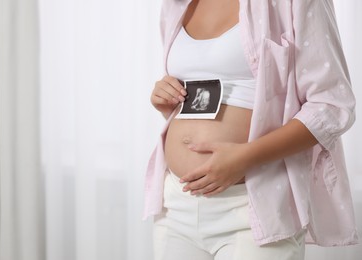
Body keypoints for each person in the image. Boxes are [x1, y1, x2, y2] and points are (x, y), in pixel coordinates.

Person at [145, 0, 359, 259]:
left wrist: (246, 157)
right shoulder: (175, 4)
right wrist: (165, 101)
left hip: (254, 205)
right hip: (176, 203)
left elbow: (332, 105)